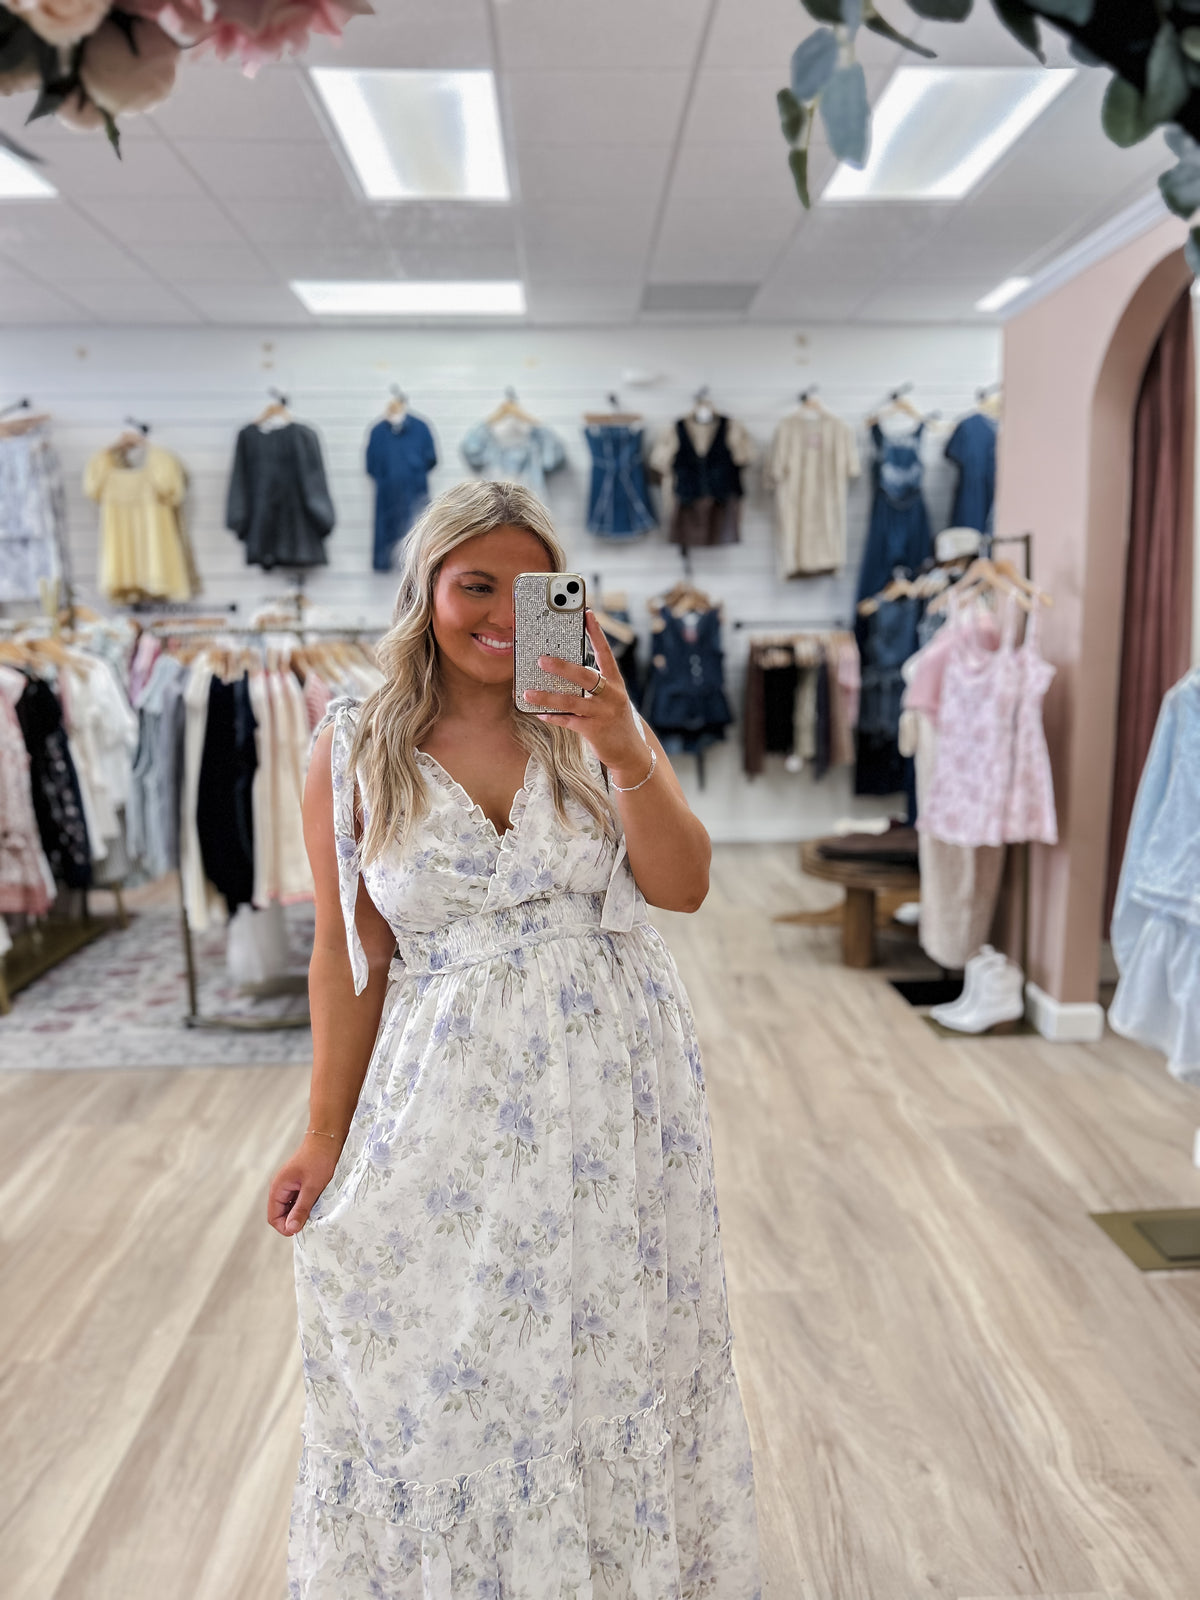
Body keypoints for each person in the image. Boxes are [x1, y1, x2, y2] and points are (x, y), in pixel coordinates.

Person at [268, 480, 763, 1598]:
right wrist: (321, 1135)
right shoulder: (354, 745)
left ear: (563, 598)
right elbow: (349, 955)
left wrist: (620, 739)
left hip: (616, 1093)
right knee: (461, 1360)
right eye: (476, 586)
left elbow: (683, 885)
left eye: (531, 590)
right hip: (446, 1099)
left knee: (610, 1346)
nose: (502, 614)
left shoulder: (594, 719)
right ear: (428, 589)